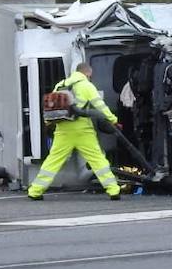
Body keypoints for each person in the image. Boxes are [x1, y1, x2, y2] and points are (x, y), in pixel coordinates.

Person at [27, 62, 122, 201]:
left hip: (62, 129)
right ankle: (113, 190)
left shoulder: (60, 85)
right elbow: (100, 106)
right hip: (82, 130)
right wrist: (113, 120)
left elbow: (52, 108)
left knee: (53, 161)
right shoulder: (87, 85)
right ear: (88, 73)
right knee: (97, 160)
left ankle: (35, 190)